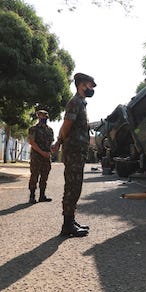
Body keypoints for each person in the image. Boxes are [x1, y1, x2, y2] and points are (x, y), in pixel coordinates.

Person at [51, 72, 96, 237]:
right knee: (72, 186)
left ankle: (70, 220)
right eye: (90, 85)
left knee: (75, 186)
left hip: (78, 152)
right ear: (81, 85)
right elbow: (66, 125)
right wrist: (58, 142)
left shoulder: (81, 103)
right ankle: (67, 225)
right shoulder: (75, 102)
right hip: (74, 152)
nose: (91, 89)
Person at [28, 110, 54, 204]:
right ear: (38, 117)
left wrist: (51, 150)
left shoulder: (50, 130)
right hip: (36, 156)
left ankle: (42, 196)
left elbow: (51, 143)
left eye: (46, 116)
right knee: (34, 176)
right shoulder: (33, 129)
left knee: (44, 176)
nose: (45, 118)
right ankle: (32, 196)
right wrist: (42, 152)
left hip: (46, 157)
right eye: (43, 116)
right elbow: (32, 142)